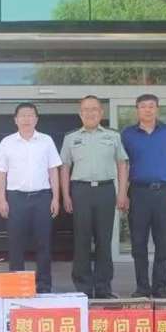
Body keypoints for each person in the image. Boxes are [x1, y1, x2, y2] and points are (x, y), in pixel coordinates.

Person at [60, 95, 129, 298]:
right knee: (81, 240)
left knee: (104, 240)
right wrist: (66, 195)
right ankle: (83, 288)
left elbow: (122, 164)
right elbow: (64, 167)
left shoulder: (113, 136)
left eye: (94, 109)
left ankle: (103, 287)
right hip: (80, 191)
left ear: (101, 113)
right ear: (80, 114)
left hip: (105, 190)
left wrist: (122, 193)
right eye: (86, 110)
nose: (90, 113)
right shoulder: (71, 138)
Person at [0, 102, 62, 293]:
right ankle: (17, 286)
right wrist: (2, 200)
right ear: (15, 120)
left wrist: (55, 198)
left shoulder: (46, 141)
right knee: (16, 243)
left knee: (44, 243)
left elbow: (53, 170)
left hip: (42, 197)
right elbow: (1, 173)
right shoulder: (7, 142)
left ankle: (44, 285)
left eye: (30, 115)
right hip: (15, 199)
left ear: (36, 119)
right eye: (22, 115)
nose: (26, 119)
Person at [121, 94, 166, 299]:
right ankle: (142, 287)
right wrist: (123, 194)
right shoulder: (128, 134)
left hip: (163, 193)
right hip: (138, 193)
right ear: (137, 109)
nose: (147, 110)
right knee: (138, 243)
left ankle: (160, 287)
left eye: (151, 106)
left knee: (162, 243)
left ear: (157, 109)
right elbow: (123, 165)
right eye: (143, 106)